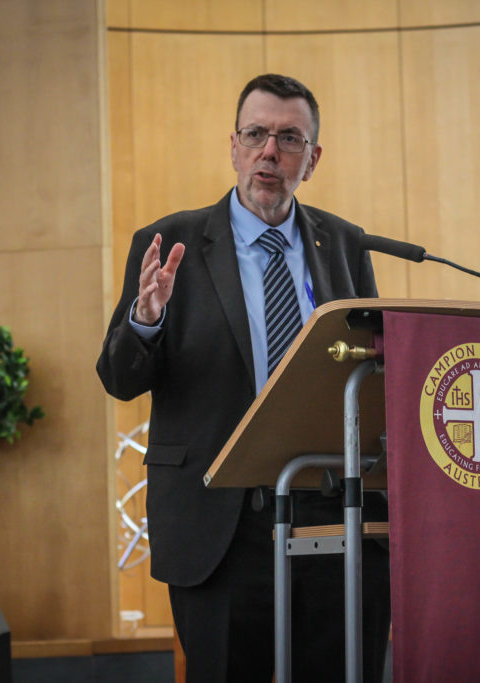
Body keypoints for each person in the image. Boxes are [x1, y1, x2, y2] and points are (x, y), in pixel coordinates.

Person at [96, 74, 390, 683]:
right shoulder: (169, 242)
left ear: (312, 158)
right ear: (233, 146)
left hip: (333, 512)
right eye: (256, 134)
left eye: (289, 139)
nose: (269, 152)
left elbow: (373, 368)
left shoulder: (343, 244)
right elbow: (119, 379)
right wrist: (145, 320)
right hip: (218, 523)